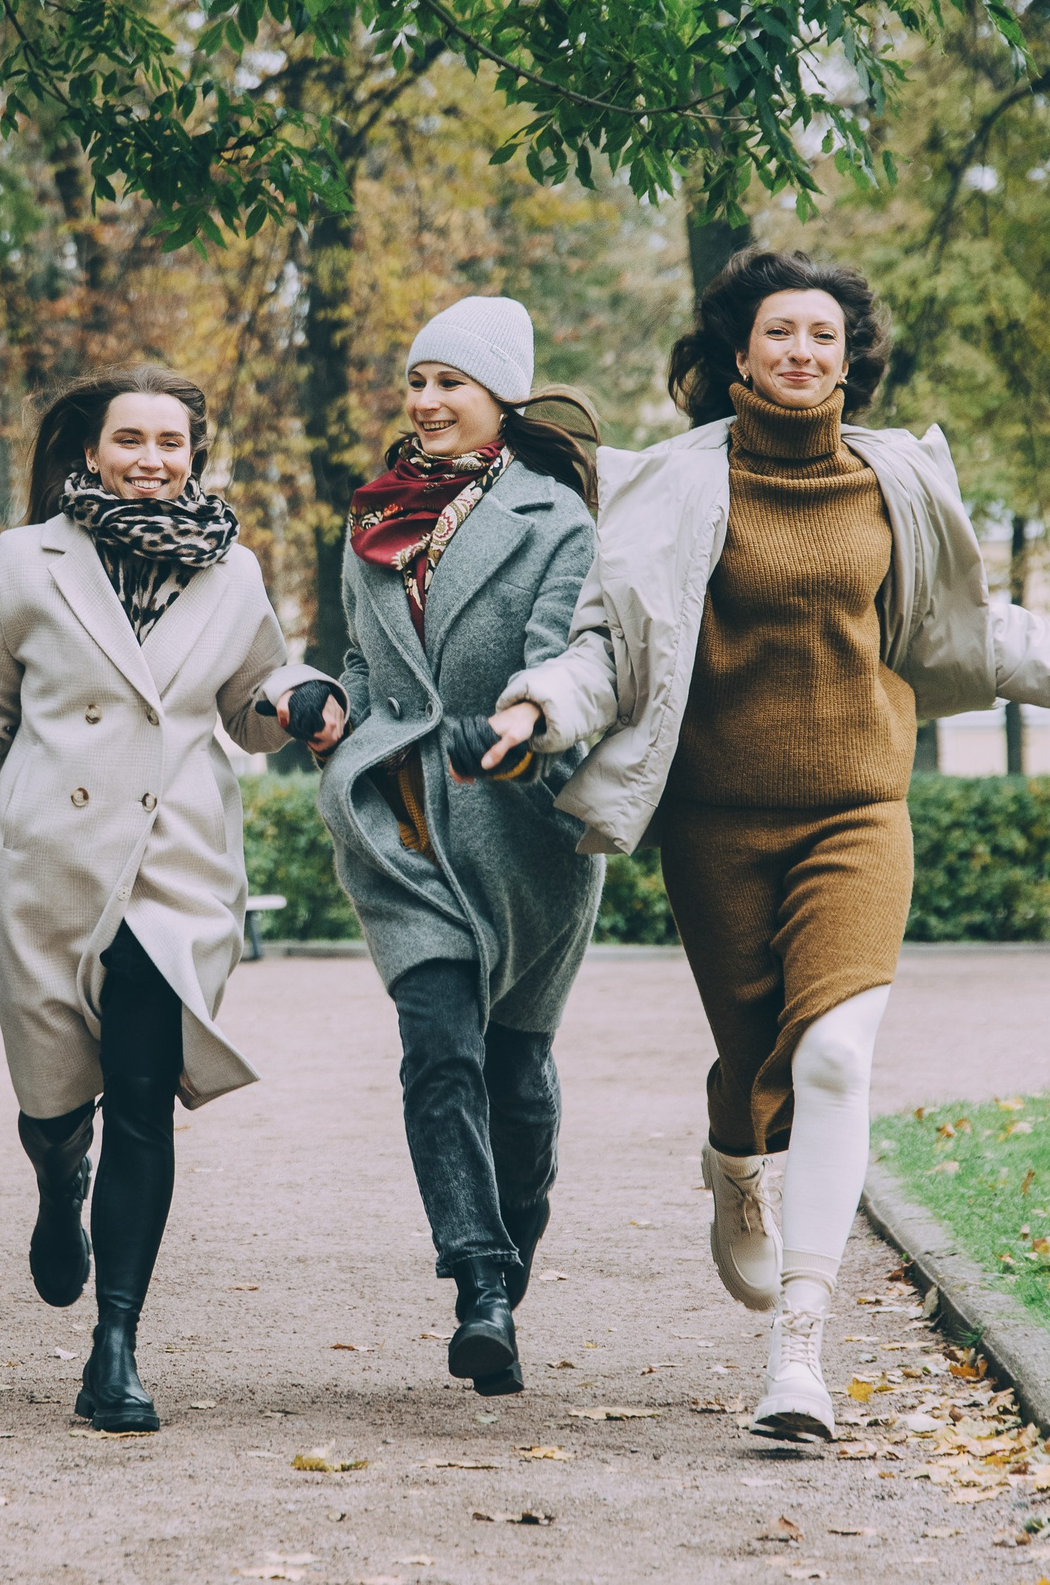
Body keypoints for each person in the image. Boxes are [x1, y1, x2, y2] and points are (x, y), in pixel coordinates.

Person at [487, 250, 1050, 1441]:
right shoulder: (669, 483)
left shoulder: (894, 476)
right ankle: (734, 1153)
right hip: (714, 823)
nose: (802, 351)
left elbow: (963, 620)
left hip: (858, 805)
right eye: (779, 333)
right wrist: (542, 704)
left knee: (838, 1056)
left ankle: (799, 1350)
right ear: (737, 354)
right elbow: (608, 643)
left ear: (851, 358)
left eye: (823, 336)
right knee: (757, 1066)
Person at [0, 366, 334, 1433]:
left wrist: (300, 697)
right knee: (58, 1102)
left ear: (195, 453)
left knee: (142, 1090)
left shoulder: (232, 572)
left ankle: (116, 1346)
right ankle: (56, 1174)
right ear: (88, 450)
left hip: (173, 862)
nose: (150, 459)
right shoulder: (26, 558)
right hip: (46, 857)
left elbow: (250, 703)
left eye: (171, 442)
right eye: (128, 439)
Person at [314, 297, 604, 1398]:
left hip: (521, 825)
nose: (427, 403)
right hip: (397, 820)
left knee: (514, 1072)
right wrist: (324, 705)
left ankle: (511, 1235)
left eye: (451, 383)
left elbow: (558, 662)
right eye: (416, 383)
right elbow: (359, 656)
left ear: (500, 397)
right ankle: (478, 1280)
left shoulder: (557, 520)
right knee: (437, 1046)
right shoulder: (375, 517)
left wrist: (518, 732)